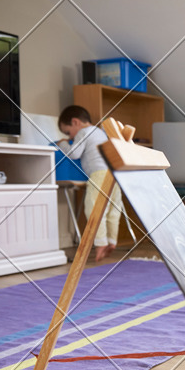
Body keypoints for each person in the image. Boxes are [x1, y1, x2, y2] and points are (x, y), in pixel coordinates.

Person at [57, 105, 123, 261]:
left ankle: (100, 244)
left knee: (95, 209)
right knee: (113, 210)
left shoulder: (84, 132)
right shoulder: (100, 132)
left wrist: (63, 144)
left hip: (99, 174)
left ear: (75, 122)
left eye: (68, 132)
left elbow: (74, 153)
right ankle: (112, 241)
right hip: (114, 175)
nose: (69, 136)